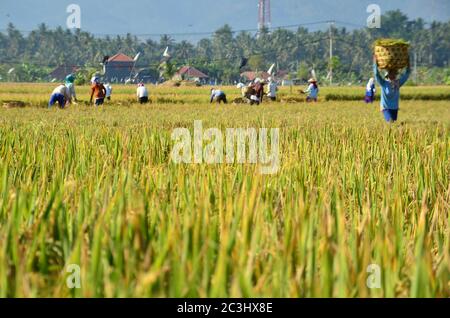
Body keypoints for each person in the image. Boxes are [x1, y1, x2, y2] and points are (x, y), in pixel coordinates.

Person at [374, 56, 411, 122]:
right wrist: (375, 63)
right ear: (388, 75)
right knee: (390, 122)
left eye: (394, 74)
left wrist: (408, 63)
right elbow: (376, 74)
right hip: (386, 108)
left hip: (395, 108)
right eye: (391, 74)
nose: (393, 75)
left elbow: (407, 74)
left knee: (393, 124)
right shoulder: (384, 83)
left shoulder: (398, 83)